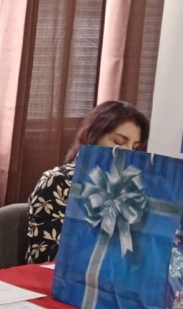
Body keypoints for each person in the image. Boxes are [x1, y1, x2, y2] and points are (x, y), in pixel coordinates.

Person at [25, 100, 149, 264]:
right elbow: (43, 257)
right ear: (93, 137)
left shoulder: (134, 188)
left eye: (134, 147)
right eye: (119, 143)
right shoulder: (58, 181)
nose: (128, 153)